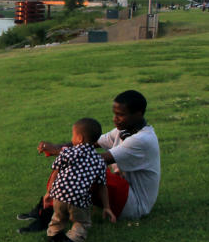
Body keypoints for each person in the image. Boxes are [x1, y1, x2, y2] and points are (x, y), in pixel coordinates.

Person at [17, 90, 160, 232]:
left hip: (135, 206)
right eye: (115, 114)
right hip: (124, 190)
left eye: (120, 115)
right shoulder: (123, 131)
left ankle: (48, 214)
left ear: (138, 114)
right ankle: (47, 207)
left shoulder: (142, 140)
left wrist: (58, 151)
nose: (115, 119)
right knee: (68, 165)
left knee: (76, 167)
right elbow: (86, 143)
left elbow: (90, 161)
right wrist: (57, 147)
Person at [44, 118, 116, 242]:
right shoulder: (99, 161)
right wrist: (107, 207)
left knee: (58, 216)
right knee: (82, 222)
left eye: (73, 135)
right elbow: (102, 186)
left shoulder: (66, 152)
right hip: (78, 199)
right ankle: (74, 240)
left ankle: (53, 235)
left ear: (79, 138)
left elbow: (55, 172)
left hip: (59, 195)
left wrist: (49, 192)